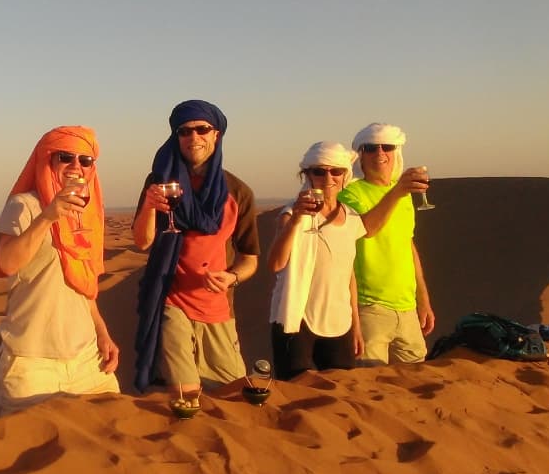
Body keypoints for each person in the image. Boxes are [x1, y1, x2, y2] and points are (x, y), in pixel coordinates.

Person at [132, 100, 260, 404]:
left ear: (216, 134)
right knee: (184, 393)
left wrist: (231, 277)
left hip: (218, 308)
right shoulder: (160, 182)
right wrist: (150, 206)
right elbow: (142, 242)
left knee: (234, 393)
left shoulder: (238, 192)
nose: (194, 138)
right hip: (171, 300)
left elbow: (250, 259)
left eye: (202, 129)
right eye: (184, 131)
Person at [0, 127, 120, 416]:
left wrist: (103, 332)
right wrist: (47, 217)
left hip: (87, 360)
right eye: (66, 157)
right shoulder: (24, 206)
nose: (76, 167)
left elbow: (84, 283)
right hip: (32, 364)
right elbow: (8, 262)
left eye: (85, 161)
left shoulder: (88, 214)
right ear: (48, 161)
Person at [268, 142, 367, 380]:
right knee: (295, 390)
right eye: (319, 171)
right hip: (296, 318)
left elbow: (348, 274)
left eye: (336, 171)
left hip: (339, 321)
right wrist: (295, 222)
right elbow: (276, 264)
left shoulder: (352, 218)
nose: (328, 177)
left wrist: (356, 324)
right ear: (308, 175)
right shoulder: (292, 214)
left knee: (342, 390)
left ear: (345, 175)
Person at [336, 122, 433, 366]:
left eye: (386, 147)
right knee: (369, 385)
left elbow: (408, 247)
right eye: (370, 148)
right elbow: (367, 230)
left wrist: (423, 300)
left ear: (395, 152)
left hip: (407, 308)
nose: (380, 153)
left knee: (417, 383)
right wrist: (396, 193)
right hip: (370, 308)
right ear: (361, 155)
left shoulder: (403, 196)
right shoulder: (350, 193)